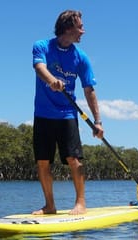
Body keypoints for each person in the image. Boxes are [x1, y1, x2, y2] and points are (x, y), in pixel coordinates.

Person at [31, 9, 104, 215]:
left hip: (67, 114)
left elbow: (89, 90)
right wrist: (51, 80)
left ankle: (80, 203)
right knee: (43, 161)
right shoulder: (42, 46)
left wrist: (98, 121)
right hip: (43, 114)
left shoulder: (81, 58)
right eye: (80, 27)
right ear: (68, 28)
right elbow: (39, 67)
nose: (83, 31)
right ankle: (50, 205)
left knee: (74, 159)